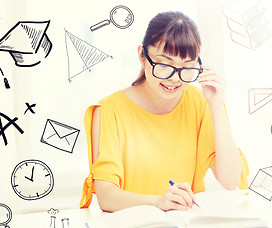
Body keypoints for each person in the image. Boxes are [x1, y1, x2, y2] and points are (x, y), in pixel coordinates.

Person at [80, 11, 249, 212]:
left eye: (187, 67)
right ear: (142, 55)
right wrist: (158, 202)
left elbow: (230, 181)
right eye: (164, 65)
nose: (175, 79)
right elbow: (107, 196)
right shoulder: (110, 110)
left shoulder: (200, 102)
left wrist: (216, 107)